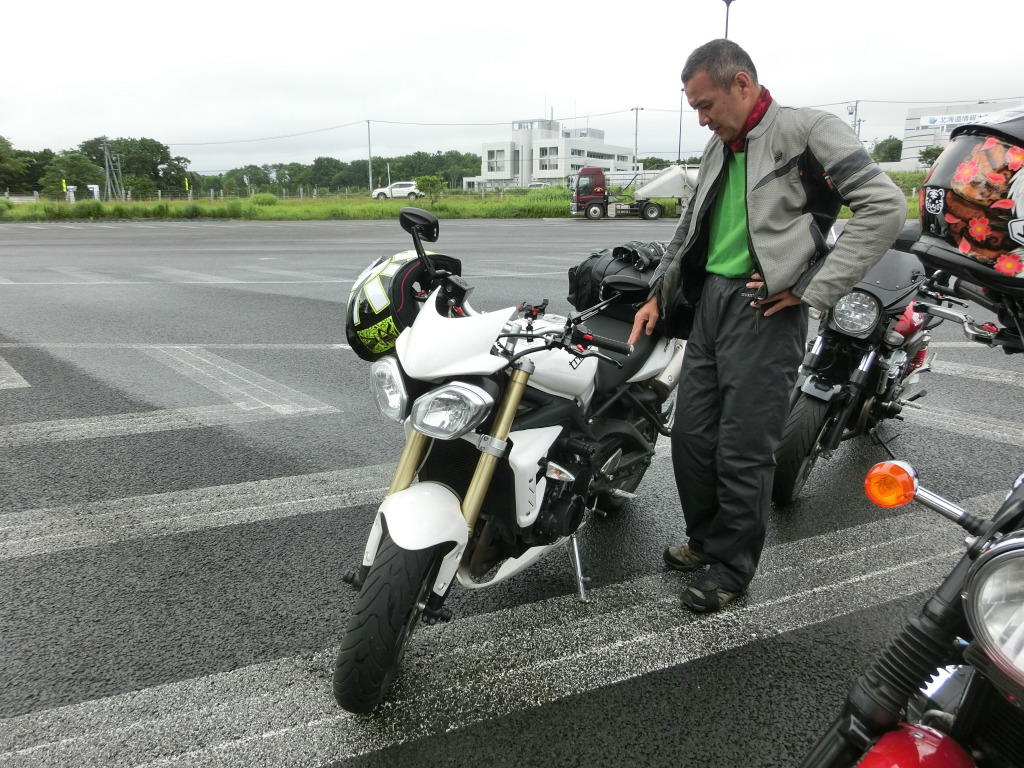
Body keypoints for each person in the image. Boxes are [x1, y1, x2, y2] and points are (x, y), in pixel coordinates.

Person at [628, 39, 907, 613]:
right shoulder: (718, 146)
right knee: (692, 438)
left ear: (742, 83)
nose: (702, 119)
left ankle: (733, 568)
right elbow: (688, 227)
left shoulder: (808, 131)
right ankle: (707, 541)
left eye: (706, 105)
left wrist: (811, 286)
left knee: (744, 448)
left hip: (766, 309)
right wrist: (658, 291)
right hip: (710, 303)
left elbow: (884, 206)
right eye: (694, 108)